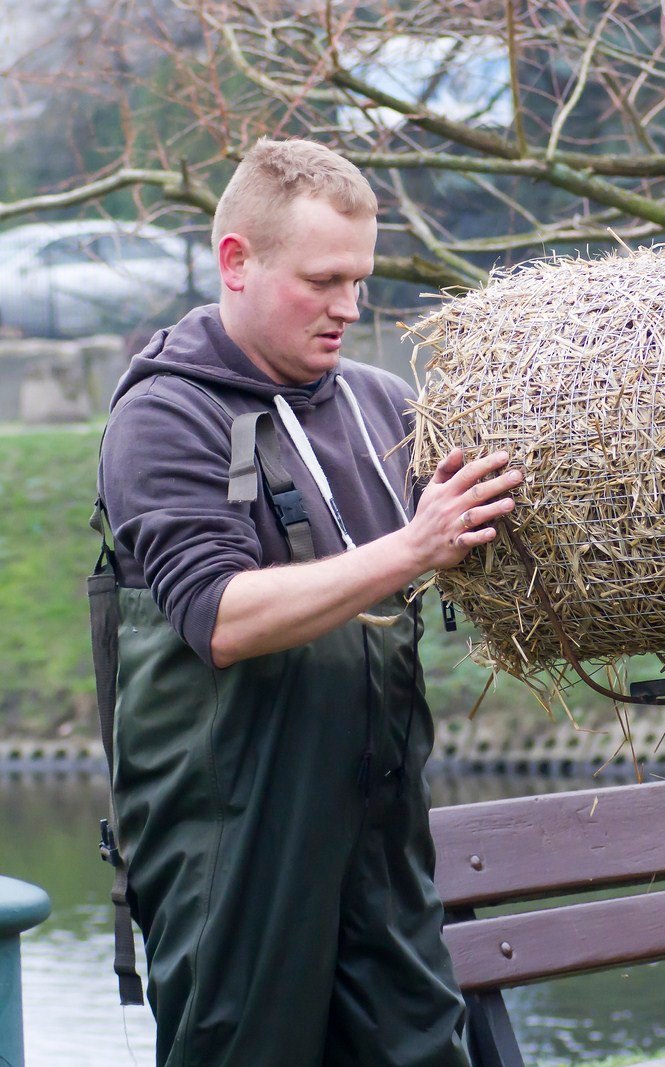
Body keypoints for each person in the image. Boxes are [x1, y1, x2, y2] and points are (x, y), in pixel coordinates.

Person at [93, 138, 520, 1066]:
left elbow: (469, 536)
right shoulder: (165, 414)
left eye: (359, 280)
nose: (348, 308)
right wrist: (412, 546)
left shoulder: (380, 405)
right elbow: (221, 617)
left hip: (380, 830)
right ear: (236, 263)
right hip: (234, 847)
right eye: (322, 279)